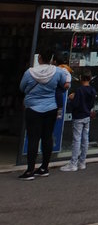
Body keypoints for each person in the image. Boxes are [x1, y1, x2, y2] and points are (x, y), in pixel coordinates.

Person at [19, 49, 71, 179]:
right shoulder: (58, 71)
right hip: (51, 107)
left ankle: (30, 170)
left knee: (33, 138)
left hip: (33, 108)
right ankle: (44, 167)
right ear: (51, 58)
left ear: (39, 58)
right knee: (47, 137)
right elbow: (64, 85)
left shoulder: (29, 72)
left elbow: (22, 87)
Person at [61, 70, 96, 172]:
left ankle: (73, 163)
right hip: (87, 116)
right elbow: (91, 104)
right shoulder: (92, 90)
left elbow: (75, 104)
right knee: (85, 139)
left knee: (76, 139)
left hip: (78, 116)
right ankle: (82, 162)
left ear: (80, 78)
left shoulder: (79, 90)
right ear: (90, 78)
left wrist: (71, 99)